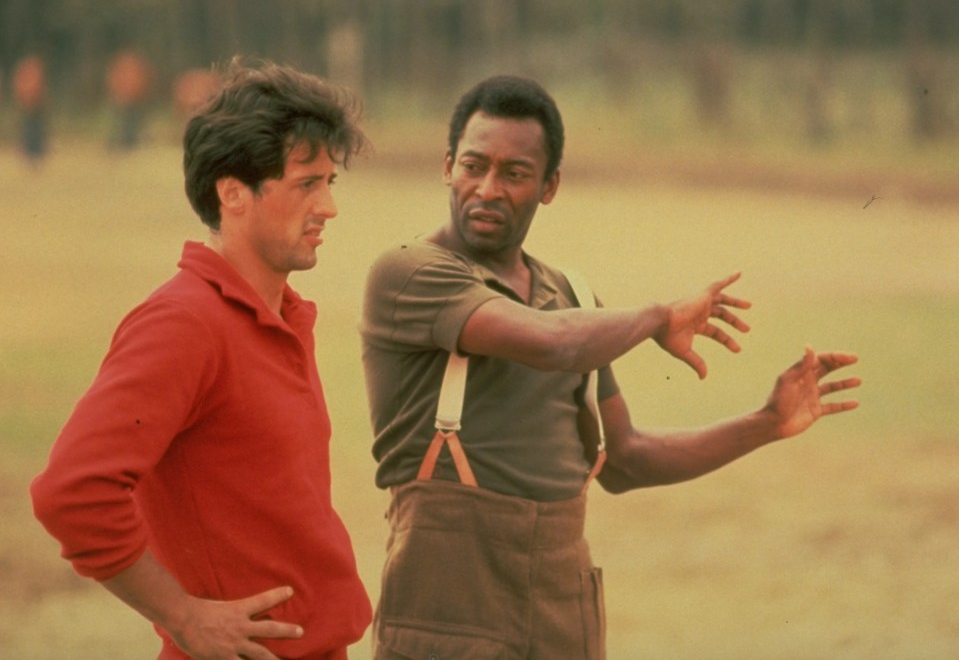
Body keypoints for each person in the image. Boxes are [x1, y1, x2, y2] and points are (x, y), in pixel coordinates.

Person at [359, 75, 861, 659]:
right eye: (474, 166)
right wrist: (658, 316)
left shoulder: (570, 295)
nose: (488, 189)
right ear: (447, 166)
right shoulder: (410, 272)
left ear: (550, 187)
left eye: (515, 174)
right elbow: (552, 345)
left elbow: (623, 460)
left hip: (560, 609)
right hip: (449, 611)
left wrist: (767, 422)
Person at [31, 58, 372, 660]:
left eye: (329, 183)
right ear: (233, 194)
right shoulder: (185, 323)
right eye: (306, 184)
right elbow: (72, 492)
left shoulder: (283, 315)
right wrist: (183, 617)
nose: (328, 208)